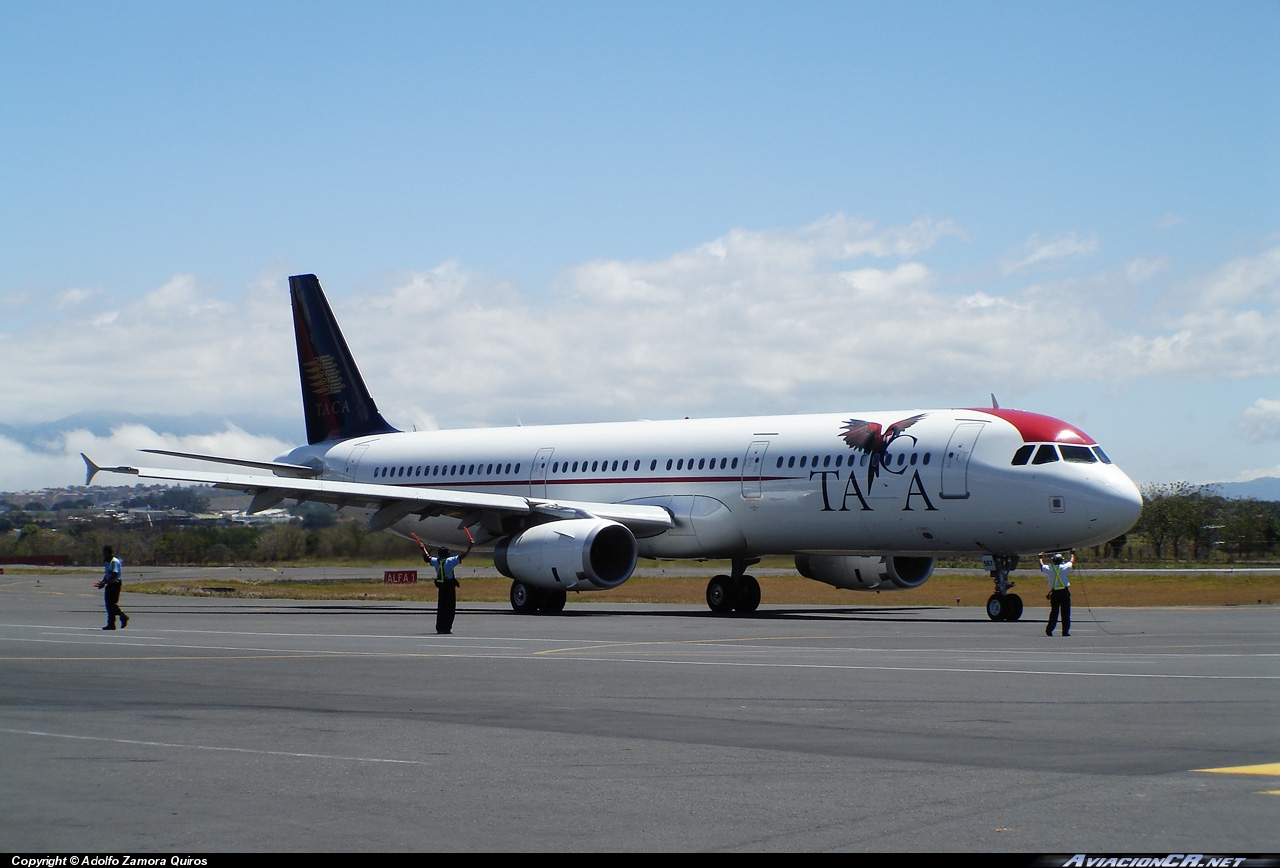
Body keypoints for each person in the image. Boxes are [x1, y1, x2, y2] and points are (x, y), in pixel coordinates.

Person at [417, 533, 472, 634]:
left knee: (441, 607)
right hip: (449, 586)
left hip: (441, 586)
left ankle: (440, 627)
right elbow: (463, 555)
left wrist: (423, 548)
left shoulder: (436, 561)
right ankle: (447, 628)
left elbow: (427, 557)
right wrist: (470, 546)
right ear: (447, 554)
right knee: (450, 608)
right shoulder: (450, 561)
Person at [94, 545, 128, 630]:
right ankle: (111, 624)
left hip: (115, 584)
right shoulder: (108, 562)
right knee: (108, 604)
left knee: (112, 604)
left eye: (104, 552)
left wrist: (105, 582)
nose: (103, 554)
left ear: (108, 553)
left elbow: (114, 574)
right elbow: (107, 574)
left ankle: (123, 616)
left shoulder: (114, 561)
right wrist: (103, 582)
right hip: (110, 584)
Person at [1040, 551, 1072, 637]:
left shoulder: (1050, 568)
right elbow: (1071, 561)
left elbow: (1042, 566)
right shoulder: (1064, 567)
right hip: (1064, 592)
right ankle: (1065, 631)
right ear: (1061, 560)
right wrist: (1072, 554)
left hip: (1055, 593)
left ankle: (1049, 630)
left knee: (1054, 612)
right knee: (1066, 613)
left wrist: (1040, 557)